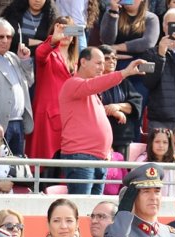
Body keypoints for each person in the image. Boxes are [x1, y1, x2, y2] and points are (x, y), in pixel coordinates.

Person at [60, 49, 146, 195]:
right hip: (82, 157)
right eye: (98, 63)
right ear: (83, 62)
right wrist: (124, 73)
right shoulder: (73, 83)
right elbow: (94, 85)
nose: (102, 67)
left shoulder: (91, 93)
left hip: (99, 158)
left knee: (95, 212)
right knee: (82, 209)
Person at [100, 0, 160, 135]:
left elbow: (147, 42)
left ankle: (132, 149)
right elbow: (106, 40)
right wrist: (113, 13)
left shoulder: (151, 18)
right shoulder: (111, 13)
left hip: (140, 74)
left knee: (135, 114)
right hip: (116, 70)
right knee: (113, 112)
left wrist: (116, 48)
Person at [26, 16, 79, 161]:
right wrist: (53, 40)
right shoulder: (49, 53)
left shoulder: (76, 61)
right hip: (47, 117)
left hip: (68, 117)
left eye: (70, 30)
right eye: (62, 30)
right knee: (45, 161)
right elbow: (40, 54)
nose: (66, 34)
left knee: (64, 162)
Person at [0, 18, 35, 158]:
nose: (5, 40)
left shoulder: (14, 57)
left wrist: (25, 60)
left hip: (18, 122)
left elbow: (29, 82)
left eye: (8, 37)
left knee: (16, 169)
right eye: (0, 36)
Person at [99, 45, 143, 158]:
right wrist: (111, 110)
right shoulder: (92, 82)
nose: (112, 61)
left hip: (122, 137)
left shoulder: (123, 82)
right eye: (107, 58)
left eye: (114, 58)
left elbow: (135, 104)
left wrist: (118, 106)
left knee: (122, 173)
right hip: (100, 137)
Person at [137, 127, 175, 196]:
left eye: (165, 142)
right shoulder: (142, 161)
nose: (161, 145)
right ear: (151, 143)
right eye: (157, 142)